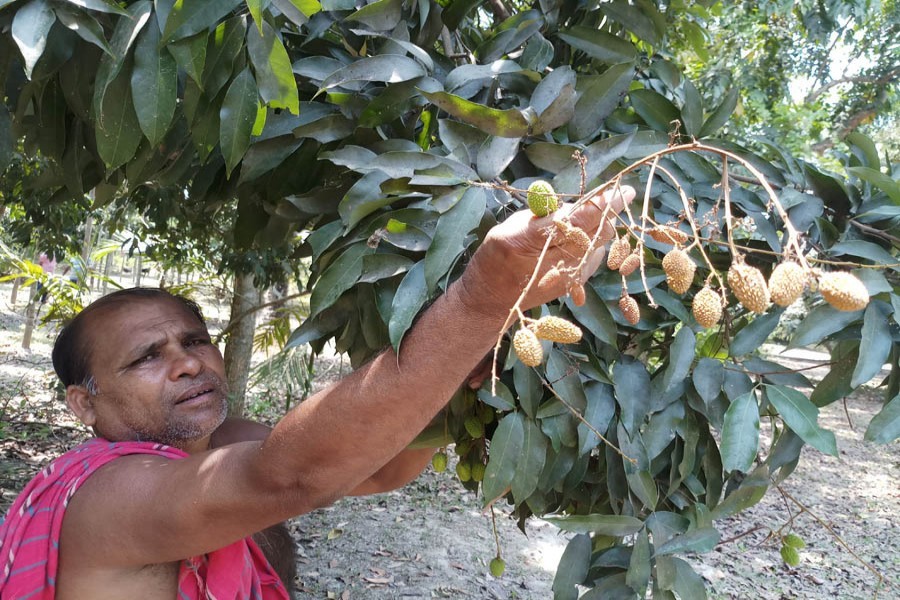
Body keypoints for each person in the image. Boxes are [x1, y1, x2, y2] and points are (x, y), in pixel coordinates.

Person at [0, 186, 633, 599]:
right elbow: (291, 474)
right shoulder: (105, 496)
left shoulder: (224, 443)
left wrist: (456, 369)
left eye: (194, 341)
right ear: (83, 403)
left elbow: (380, 467)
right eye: (147, 357)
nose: (188, 364)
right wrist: (479, 300)